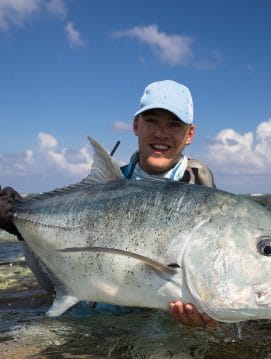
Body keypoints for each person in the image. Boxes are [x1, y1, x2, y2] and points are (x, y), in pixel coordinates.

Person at [0, 80, 217, 328]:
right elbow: (53, 278)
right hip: (88, 313)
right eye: (152, 121)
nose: (161, 133)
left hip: (153, 326)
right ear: (136, 125)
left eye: (174, 124)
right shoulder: (107, 185)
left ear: (189, 134)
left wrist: (206, 317)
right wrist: (19, 224)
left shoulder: (201, 192)